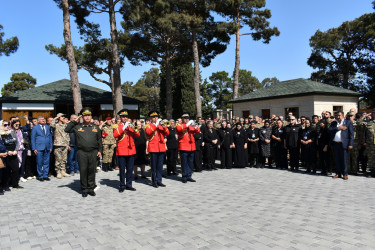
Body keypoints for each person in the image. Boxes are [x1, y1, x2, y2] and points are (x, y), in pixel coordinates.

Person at [65, 108, 103, 197]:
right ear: (82, 117)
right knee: (83, 170)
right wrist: (75, 121)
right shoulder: (78, 127)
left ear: (91, 116)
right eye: (85, 115)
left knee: (92, 170)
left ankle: (91, 188)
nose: (87, 117)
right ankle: (84, 189)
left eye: (89, 115)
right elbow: (67, 129)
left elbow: (99, 140)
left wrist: (100, 150)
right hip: (82, 152)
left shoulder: (95, 127)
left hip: (93, 152)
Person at [113, 109, 140, 192]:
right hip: (121, 151)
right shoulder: (117, 126)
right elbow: (115, 135)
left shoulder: (130, 125)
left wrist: (133, 128)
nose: (125, 118)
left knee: (130, 169)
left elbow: (138, 134)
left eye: (126, 116)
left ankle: (129, 184)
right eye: (123, 116)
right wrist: (124, 127)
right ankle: (122, 185)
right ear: (120, 117)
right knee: (122, 169)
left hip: (130, 150)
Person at [145, 110, 169, 188]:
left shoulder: (161, 125)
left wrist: (164, 126)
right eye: (153, 117)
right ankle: (154, 181)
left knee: (160, 165)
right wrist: (156, 125)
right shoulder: (149, 125)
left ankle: (159, 180)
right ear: (151, 118)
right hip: (153, 148)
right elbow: (148, 132)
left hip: (161, 147)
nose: (155, 118)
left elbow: (167, 133)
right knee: (154, 166)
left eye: (156, 117)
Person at [176, 112, 200, 183]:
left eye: (188, 118)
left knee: (190, 162)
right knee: (184, 162)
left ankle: (189, 176)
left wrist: (195, 126)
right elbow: (179, 130)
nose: (187, 120)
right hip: (183, 146)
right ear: (182, 119)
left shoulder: (190, 125)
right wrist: (187, 124)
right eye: (185, 118)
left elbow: (198, 131)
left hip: (191, 146)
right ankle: (184, 176)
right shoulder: (180, 125)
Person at [329, 111, 354, 180]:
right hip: (335, 144)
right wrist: (338, 128)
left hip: (344, 144)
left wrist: (350, 144)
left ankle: (345, 174)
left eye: (339, 115)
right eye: (336, 115)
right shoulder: (334, 123)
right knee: (337, 159)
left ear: (343, 116)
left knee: (344, 160)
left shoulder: (348, 122)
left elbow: (351, 134)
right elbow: (329, 130)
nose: (338, 117)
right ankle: (338, 173)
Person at [0, 120, 23, 190]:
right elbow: (2, 145)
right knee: (6, 171)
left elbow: (17, 143)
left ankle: (15, 184)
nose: (7, 126)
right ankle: (5, 185)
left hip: (14, 153)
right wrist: (7, 152)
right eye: (5, 125)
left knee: (16, 168)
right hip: (5, 155)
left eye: (8, 124)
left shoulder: (11, 132)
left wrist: (16, 150)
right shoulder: (0, 134)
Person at [31, 116, 53, 181]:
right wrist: (34, 148)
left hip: (47, 147)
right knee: (39, 162)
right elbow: (33, 138)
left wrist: (51, 146)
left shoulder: (47, 127)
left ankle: (45, 175)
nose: (43, 120)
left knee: (46, 162)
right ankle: (40, 175)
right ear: (38, 121)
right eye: (41, 119)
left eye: (44, 119)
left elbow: (50, 137)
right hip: (39, 147)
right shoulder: (35, 128)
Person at [50, 113, 71, 179]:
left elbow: (67, 135)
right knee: (58, 159)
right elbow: (51, 125)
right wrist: (55, 118)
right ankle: (58, 172)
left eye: (64, 116)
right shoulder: (56, 125)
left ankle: (63, 171)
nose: (63, 117)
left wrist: (68, 144)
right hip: (58, 144)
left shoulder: (65, 125)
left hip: (65, 144)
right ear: (59, 117)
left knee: (64, 159)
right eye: (62, 116)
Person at [363, 109, 375, 177]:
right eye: (374, 113)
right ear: (372, 114)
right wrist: (364, 142)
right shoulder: (368, 123)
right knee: (371, 158)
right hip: (370, 144)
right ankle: (372, 171)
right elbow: (364, 133)